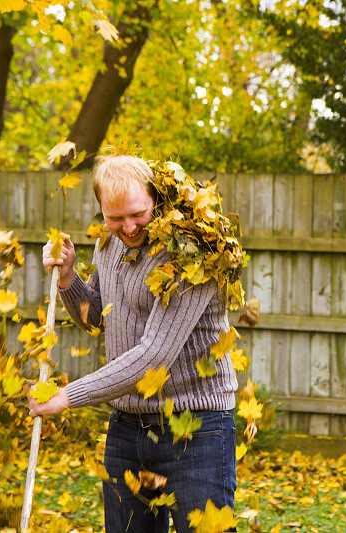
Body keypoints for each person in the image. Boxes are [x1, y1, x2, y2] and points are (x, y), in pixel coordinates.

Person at [29, 153, 239, 532]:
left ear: (155, 198)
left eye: (138, 214)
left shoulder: (193, 253)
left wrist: (67, 396)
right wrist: (68, 278)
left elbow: (152, 358)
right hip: (127, 427)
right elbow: (96, 318)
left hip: (196, 428)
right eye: (115, 217)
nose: (127, 227)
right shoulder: (108, 245)